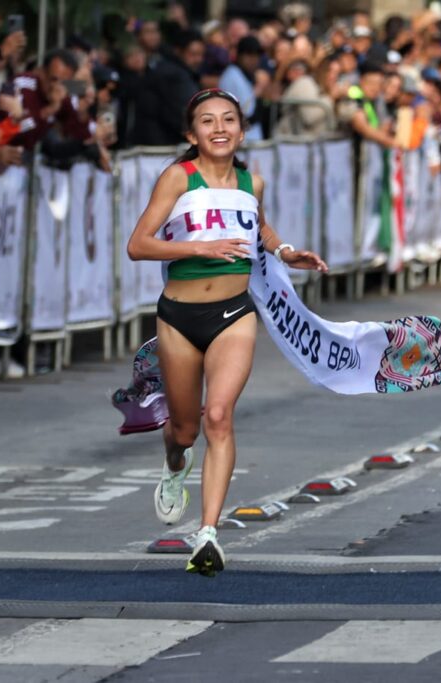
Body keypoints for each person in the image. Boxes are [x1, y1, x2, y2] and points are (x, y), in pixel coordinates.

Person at [125, 89, 329, 576]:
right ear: (191, 134)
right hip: (178, 316)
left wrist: (285, 253)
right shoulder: (178, 178)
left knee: (218, 416)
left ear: (241, 130)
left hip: (233, 315)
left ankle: (207, 533)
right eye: (208, 121)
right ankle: (175, 467)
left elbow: (261, 230)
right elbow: (138, 244)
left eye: (229, 120)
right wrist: (200, 249)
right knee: (185, 429)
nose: (219, 128)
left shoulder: (249, 180)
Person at [218, 36, 267, 141]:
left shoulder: (243, 75)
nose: (254, 60)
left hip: (250, 142)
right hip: (241, 144)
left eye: (256, 56)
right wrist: (258, 95)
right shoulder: (232, 76)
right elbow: (245, 116)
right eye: (249, 55)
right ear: (239, 55)